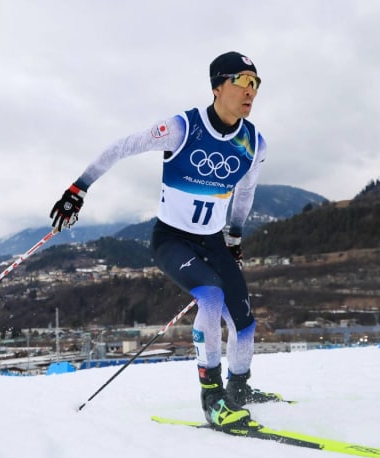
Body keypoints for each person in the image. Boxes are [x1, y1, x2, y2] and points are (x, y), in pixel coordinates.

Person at [50, 51, 282, 430]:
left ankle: (240, 389)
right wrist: (79, 187)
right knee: (210, 297)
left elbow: (246, 191)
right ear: (218, 86)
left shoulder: (254, 143)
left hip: (213, 241)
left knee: (245, 324)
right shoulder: (182, 128)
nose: (250, 91)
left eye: (255, 84)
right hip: (172, 239)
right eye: (242, 81)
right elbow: (123, 147)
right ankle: (213, 397)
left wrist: (235, 234)